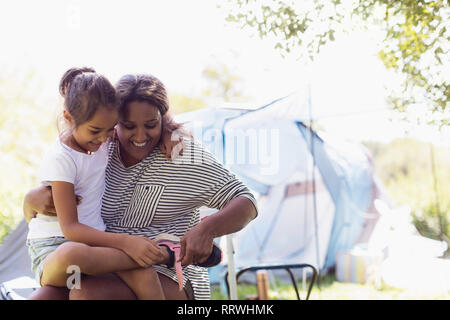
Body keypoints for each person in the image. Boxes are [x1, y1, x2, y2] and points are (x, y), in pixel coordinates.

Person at [24, 73, 258, 300]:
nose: (140, 136)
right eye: (127, 125)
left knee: (88, 294)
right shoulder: (102, 146)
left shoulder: (182, 153)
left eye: (151, 124)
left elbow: (246, 200)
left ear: (162, 118)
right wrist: (30, 200)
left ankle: (167, 255)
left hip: (170, 275)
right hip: (100, 261)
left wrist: (207, 229)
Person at [25, 67, 180, 300]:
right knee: (73, 253)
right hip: (55, 251)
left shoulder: (102, 138)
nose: (104, 138)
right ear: (68, 118)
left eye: (110, 130)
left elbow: (144, 116)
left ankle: (150, 256)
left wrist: (168, 128)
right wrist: (128, 243)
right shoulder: (61, 158)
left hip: (96, 245)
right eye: (95, 131)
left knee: (144, 274)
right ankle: (161, 255)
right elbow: (71, 229)